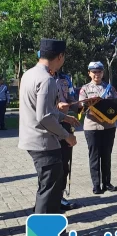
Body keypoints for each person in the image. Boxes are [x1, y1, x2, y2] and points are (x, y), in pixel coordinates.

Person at [18, 39, 79, 214]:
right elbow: (44, 116)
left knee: (46, 188)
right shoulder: (47, 79)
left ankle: (43, 234)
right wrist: (66, 135)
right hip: (43, 142)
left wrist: (63, 117)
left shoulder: (29, 74)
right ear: (60, 56)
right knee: (50, 193)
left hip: (31, 139)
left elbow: (42, 109)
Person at [79, 61, 117, 194]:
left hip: (108, 126)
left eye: (99, 71)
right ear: (89, 73)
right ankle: (96, 184)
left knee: (107, 155)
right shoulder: (84, 89)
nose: (97, 74)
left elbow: (116, 105)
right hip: (92, 127)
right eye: (94, 72)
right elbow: (81, 108)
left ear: (103, 73)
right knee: (94, 156)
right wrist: (87, 105)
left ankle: (107, 182)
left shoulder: (110, 88)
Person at [54, 69, 80, 211]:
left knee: (65, 162)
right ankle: (47, 198)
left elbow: (71, 97)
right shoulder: (41, 77)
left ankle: (60, 197)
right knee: (50, 165)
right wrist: (57, 106)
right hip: (50, 122)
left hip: (64, 121)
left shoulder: (65, 78)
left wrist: (81, 105)